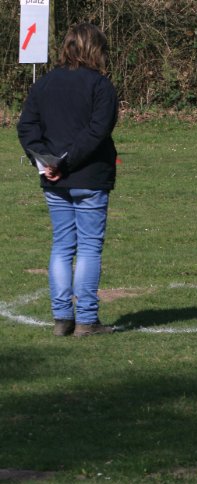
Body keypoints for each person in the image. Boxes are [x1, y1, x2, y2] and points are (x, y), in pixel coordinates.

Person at [17, 23, 118, 337]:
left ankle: (62, 319)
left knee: (62, 246)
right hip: (87, 177)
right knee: (88, 248)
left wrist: (47, 161)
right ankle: (85, 320)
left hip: (56, 178)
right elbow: (97, 132)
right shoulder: (101, 86)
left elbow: (27, 127)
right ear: (95, 50)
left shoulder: (44, 84)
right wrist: (60, 162)